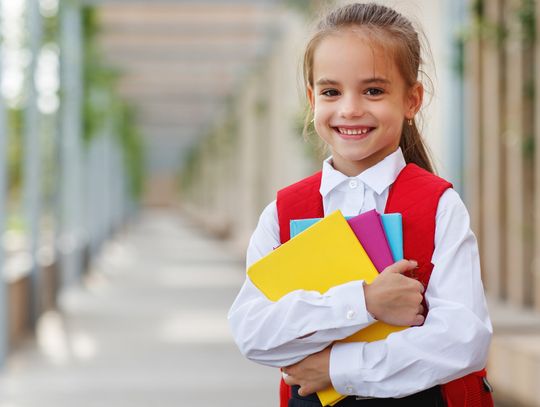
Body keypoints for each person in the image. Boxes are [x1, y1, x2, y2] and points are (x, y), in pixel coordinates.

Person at [228, 3, 493, 406]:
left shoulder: (439, 205)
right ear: (312, 98)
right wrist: (364, 302)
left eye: (373, 90)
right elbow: (254, 333)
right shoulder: (283, 213)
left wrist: (337, 369)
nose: (350, 108)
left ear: (412, 100)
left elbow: (462, 339)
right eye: (332, 91)